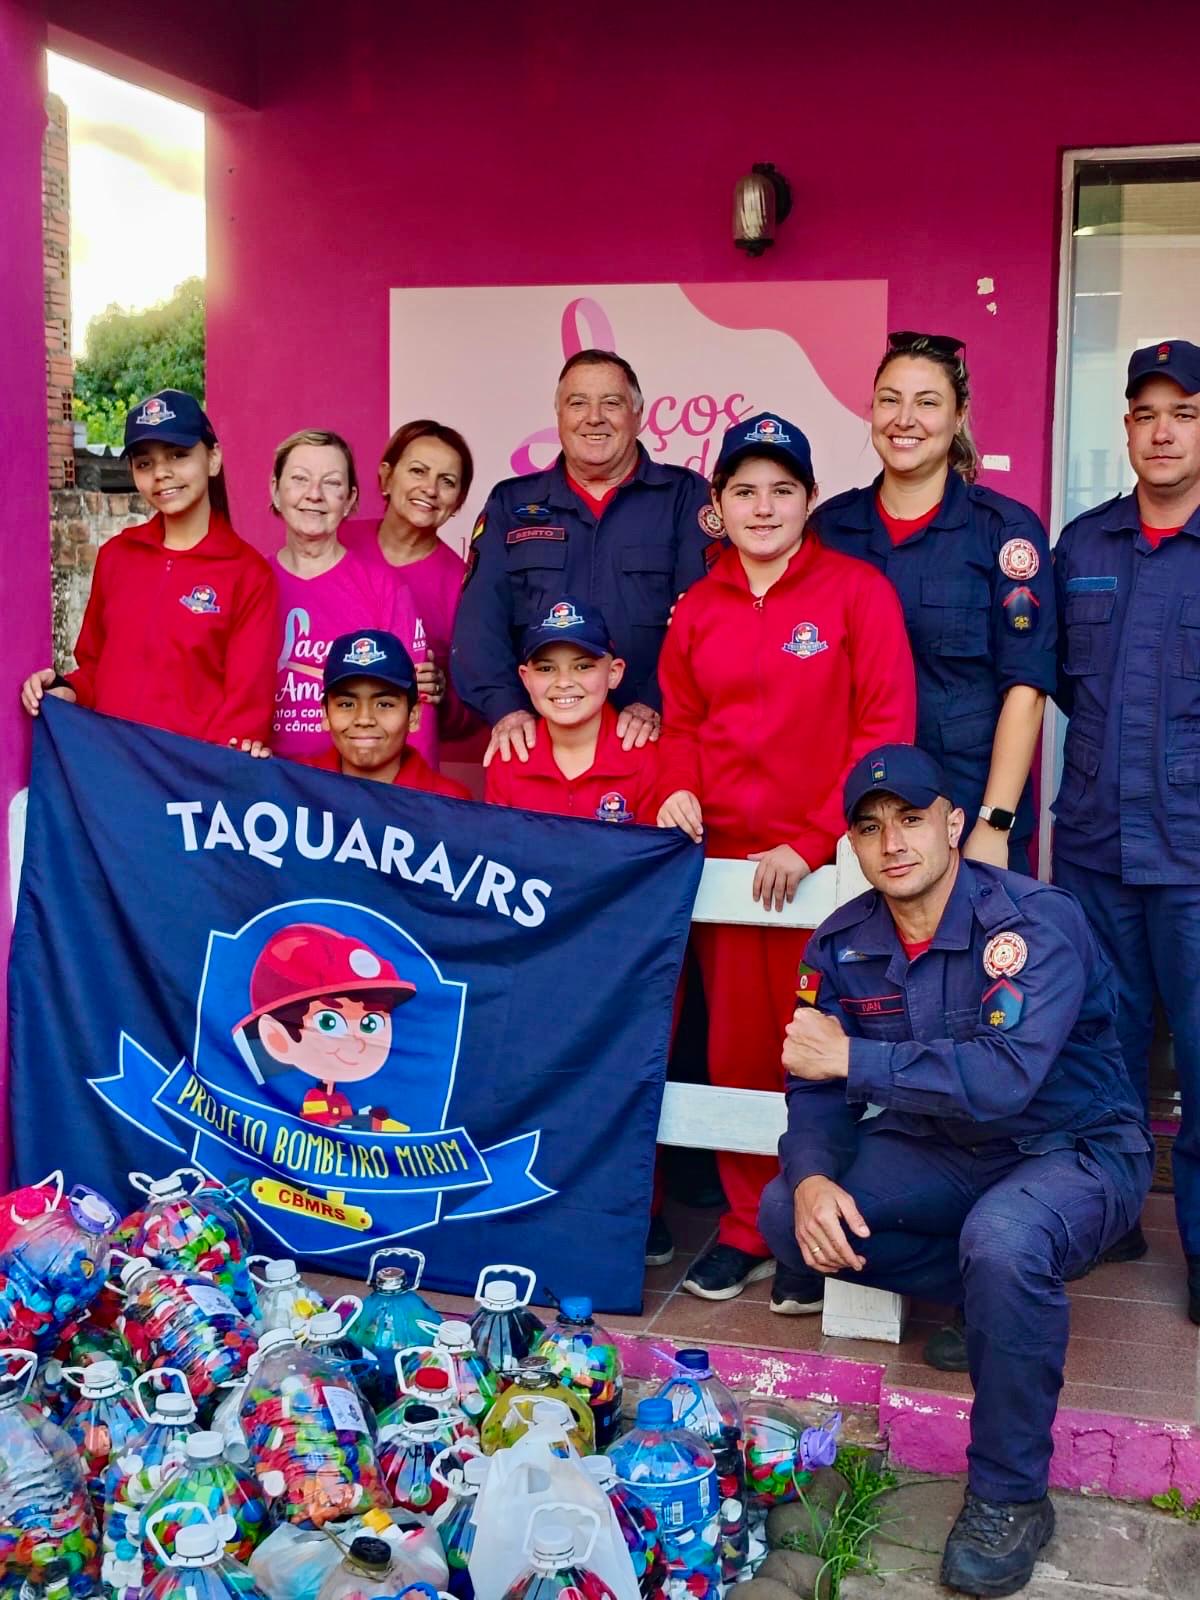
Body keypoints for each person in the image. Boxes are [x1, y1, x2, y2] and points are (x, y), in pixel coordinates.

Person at [757, 744, 1151, 1598]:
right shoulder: (843, 941)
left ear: (954, 824)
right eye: (870, 828)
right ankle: (1001, 1298)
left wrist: (855, 1060)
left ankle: (1011, 1495)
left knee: (1005, 1241)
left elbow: (1006, 1077)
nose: (893, 841)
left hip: (1072, 1148)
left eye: (911, 818)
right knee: (790, 1212)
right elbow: (810, 1081)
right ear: (853, 849)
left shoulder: (1035, 922)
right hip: (942, 1148)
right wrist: (820, 1174)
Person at [656, 412, 917, 1302]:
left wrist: (812, 840)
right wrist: (676, 790)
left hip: (830, 871)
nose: (762, 508)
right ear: (718, 507)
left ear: (810, 500)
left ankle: (810, 1226)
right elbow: (681, 726)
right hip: (726, 872)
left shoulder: (857, 592)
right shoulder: (697, 607)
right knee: (733, 1050)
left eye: (781, 490)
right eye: (743, 492)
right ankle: (744, 1227)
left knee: (820, 1050)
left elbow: (884, 730)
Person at [1051, 338, 1200, 1317]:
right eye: (1146, 412)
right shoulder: (1084, 546)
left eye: (1182, 412)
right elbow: (1063, 682)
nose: (1161, 430)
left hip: (1194, 860)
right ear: (1126, 429)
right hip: (1098, 851)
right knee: (1100, 1051)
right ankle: (1107, 1219)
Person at [814, 332, 1056, 871]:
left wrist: (995, 823)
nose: (905, 419)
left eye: (927, 403)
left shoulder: (1004, 532)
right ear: (871, 408)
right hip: (850, 814)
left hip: (965, 809)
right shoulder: (829, 530)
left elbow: (1027, 686)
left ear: (959, 415)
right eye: (890, 400)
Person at [451, 348, 717, 765]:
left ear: (638, 414)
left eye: (611, 403)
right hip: (536, 748)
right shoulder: (511, 504)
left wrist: (655, 703)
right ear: (558, 415)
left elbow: (708, 622)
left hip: (653, 742)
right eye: (577, 403)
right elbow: (478, 625)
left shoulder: (684, 497)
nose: (593, 417)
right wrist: (506, 708)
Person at [21, 389, 276, 746]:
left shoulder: (248, 575)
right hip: (112, 773)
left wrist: (193, 783)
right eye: (145, 463)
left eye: (178, 455)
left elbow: (246, 711)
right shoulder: (116, 556)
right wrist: (67, 689)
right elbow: (96, 669)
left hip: (188, 788)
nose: (161, 473)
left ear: (213, 458)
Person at [269, 429, 418, 762]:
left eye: (332, 483)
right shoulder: (249, 583)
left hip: (353, 788)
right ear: (275, 490)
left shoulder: (386, 589)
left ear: (350, 500)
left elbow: (411, 706)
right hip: (266, 782)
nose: (314, 495)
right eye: (299, 479)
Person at [342, 419, 479, 766]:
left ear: (459, 501)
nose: (430, 489)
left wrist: (443, 690)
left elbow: (470, 711)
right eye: (418, 471)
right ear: (386, 477)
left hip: (401, 776)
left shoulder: (464, 586)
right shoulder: (336, 543)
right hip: (313, 763)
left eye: (447, 481)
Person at [484, 596, 658, 823]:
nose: (564, 682)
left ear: (613, 673)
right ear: (526, 679)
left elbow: (658, 855)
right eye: (546, 668)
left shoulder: (647, 758)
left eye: (583, 666)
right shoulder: (508, 758)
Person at [305, 629, 471, 799]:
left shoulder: (451, 803)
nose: (364, 719)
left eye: (384, 704)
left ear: (413, 715)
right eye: (347, 704)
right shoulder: (295, 788)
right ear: (325, 714)